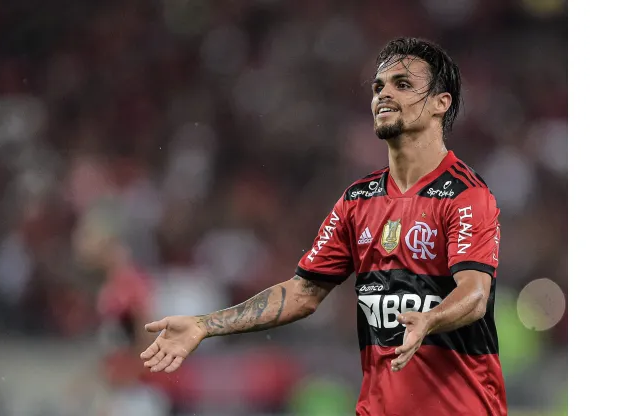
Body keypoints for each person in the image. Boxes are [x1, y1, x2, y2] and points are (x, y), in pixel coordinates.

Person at [140, 37, 507, 416]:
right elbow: (302, 293)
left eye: (403, 84)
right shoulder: (357, 201)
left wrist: (431, 319)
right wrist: (205, 325)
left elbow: (476, 294)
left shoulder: (465, 195)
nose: (383, 95)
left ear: (439, 103)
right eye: (378, 86)